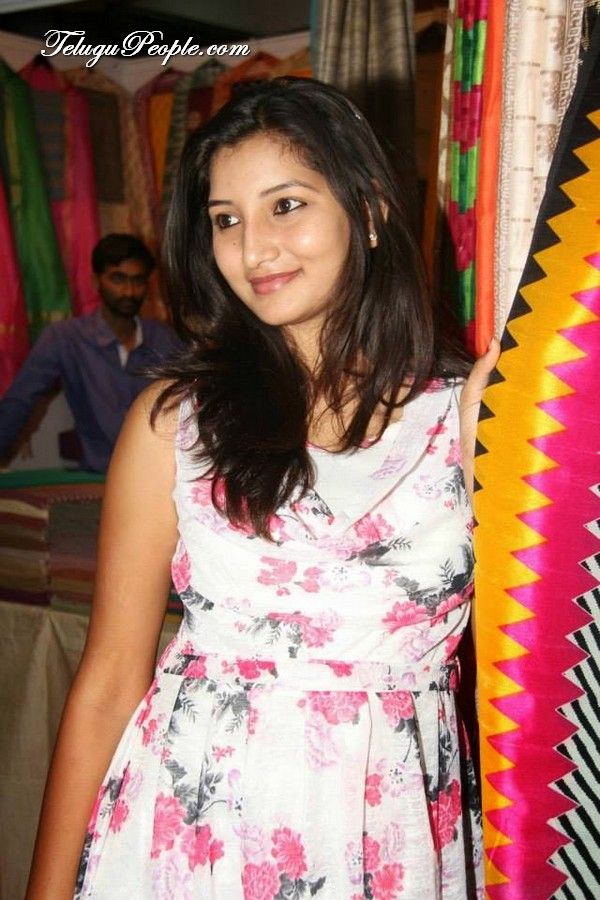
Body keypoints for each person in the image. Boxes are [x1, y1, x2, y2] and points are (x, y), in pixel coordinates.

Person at [26, 78, 499, 899]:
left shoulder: (465, 417)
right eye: (226, 220)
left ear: (370, 209)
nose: (253, 250)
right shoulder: (176, 423)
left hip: (391, 841)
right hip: (195, 837)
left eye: (286, 205)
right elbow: (107, 682)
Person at [0, 234, 182, 473]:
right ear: (96, 281)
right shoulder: (65, 338)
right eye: (118, 279)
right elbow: (20, 400)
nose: (129, 291)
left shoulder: (165, 339)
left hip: (162, 477)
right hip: (98, 478)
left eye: (138, 281)